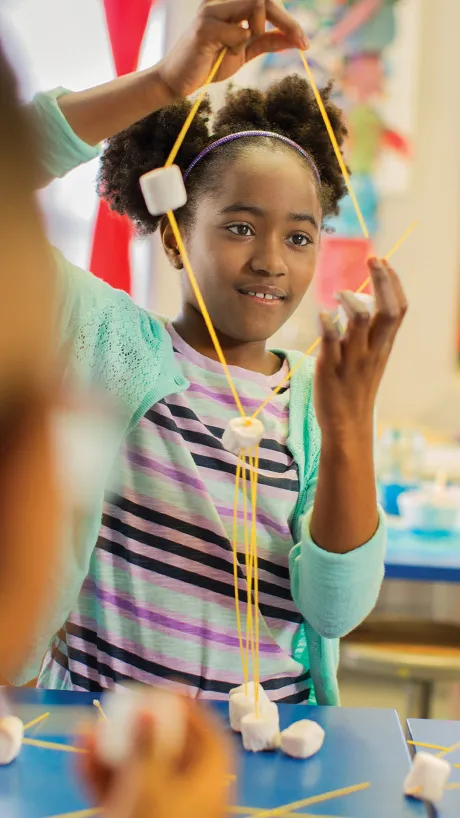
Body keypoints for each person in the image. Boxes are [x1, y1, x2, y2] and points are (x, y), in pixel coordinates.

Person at [10, 0, 406, 706]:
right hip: (100, 745)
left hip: (270, 757)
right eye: (239, 226)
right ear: (172, 237)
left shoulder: (318, 401)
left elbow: (335, 611)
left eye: (299, 236)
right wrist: (162, 84)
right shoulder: (106, 341)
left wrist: (349, 430)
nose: (271, 261)